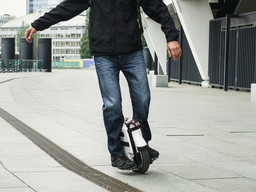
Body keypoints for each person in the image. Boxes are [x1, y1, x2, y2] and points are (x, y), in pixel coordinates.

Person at [25, 0, 182, 170]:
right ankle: (116, 153)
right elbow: (67, 7)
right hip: (104, 54)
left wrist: (171, 37)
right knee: (112, 104)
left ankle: (141, 142)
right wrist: (37, 25)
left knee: (143, 98)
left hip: (132, 51)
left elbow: (157, 8)